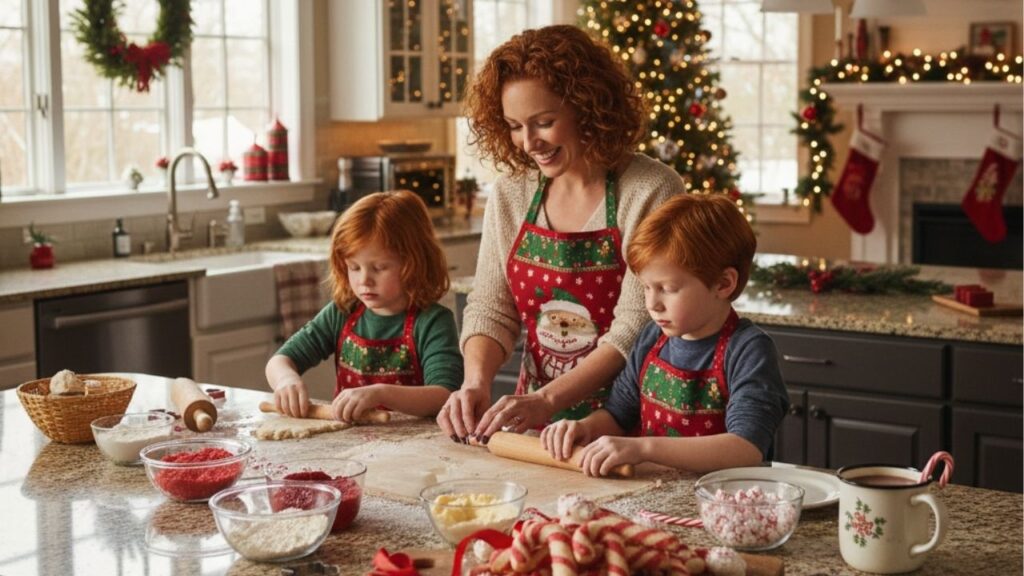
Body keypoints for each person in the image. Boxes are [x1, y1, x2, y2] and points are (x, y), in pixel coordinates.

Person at [438, 24, 685, 443]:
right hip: (537, 427)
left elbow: (633, 328)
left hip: (632, 428)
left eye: (544, 122)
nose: (528, 142)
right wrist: (475, 383)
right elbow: (490, 307)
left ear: (587, 107)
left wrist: (548, 400)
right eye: (515, 126)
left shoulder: (649, 189)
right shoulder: (512, 192)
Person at [541, 193, 789, 475]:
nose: (652, 304)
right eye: (647, 287)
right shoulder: (651, 339)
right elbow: (617, 415)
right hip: (654, 495)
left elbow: (745, 449)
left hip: (723, 505)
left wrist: (642, 448)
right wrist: (585, 429)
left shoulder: (748, 350)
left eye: (667, 289)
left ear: (723, 284)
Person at [267, 191, 463, 422]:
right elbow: (281, 360)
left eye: (379, 268)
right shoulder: (343, 312)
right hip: (350, 442)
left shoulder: (433, 322)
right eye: (354, 267)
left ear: (414, 263)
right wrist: (286, 380)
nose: (364, 280)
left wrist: (380, 393)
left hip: (415, 446)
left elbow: (443, 395)